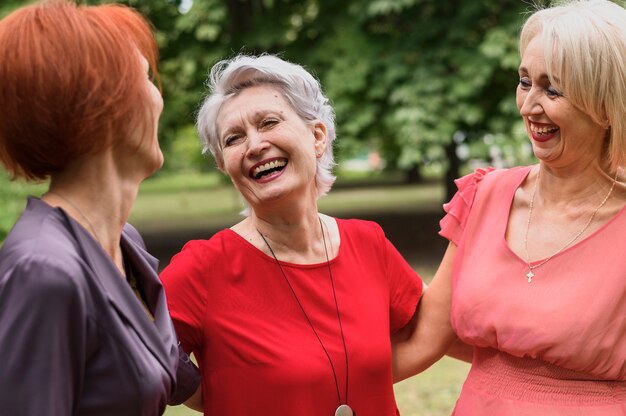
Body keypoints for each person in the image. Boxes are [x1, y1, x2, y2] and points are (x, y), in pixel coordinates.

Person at [159, 53, 424, 416]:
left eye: (268, 122)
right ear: (224, 164)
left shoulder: (367, 243)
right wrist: (218, 395)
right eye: (234, 138)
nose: (254, 146)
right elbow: (140, 358)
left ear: (317, 137)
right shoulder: (203, 267)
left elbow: (435, 329)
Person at [394, 0, 626, 414]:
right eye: (524, 82)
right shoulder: (484, 196)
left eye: (552, 89)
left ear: (606, 104)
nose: (528, 106)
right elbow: (424, 340)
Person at [0, 1, 200, 414]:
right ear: (104, 107)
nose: (159, 99)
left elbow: (171, 377)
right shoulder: (44, 271)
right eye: (147, 78)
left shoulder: (124, 242)